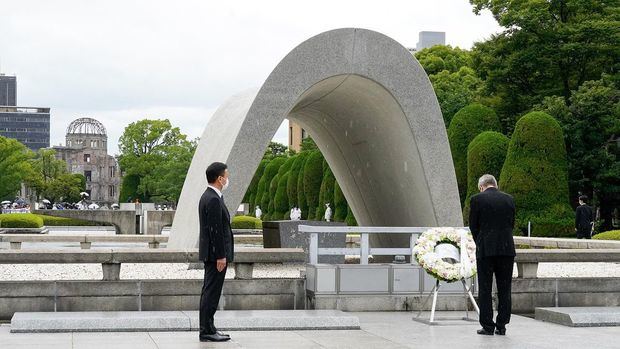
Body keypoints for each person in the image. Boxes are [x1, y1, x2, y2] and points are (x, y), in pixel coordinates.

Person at [469, 174, 516, 336]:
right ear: (495, 185)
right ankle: (502, 325)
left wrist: (481, 242)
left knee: (485, 288)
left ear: (482, 186)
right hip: (506, 249)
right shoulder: (509, 199)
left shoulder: (477, 200)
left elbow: (473, 226)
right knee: (504, 288)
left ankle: (487, 326)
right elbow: (511, 223)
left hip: (486, 250)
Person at [198, 162, 234, 342]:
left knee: (210, 291)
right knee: (211, 292)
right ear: (220, 179)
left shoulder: (211, 196)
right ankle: (206, 330)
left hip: (212, 254)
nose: (228, 179)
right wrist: (221, 255)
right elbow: (215, 230)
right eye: (226, 176)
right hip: (215, 255)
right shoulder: (212, 198)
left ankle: (210, 327)